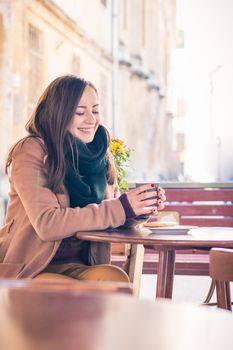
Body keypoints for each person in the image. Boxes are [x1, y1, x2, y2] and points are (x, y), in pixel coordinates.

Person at [0, 75, 166, 282]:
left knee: (115, 280)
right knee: (82, 296)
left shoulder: (100, 155)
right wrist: (120, 208)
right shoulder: (31, 150)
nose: (92, 120)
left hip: (82, 266)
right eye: (80, 112)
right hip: (31, 269)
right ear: (58, 114)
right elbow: (47, 224)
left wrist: (136, 209)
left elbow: (110, 214)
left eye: (95, 110)